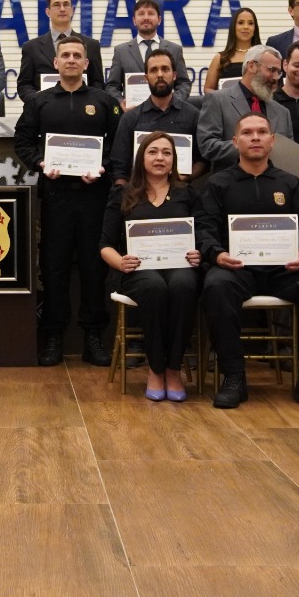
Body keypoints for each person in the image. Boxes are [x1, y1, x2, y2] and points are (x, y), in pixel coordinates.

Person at [197, 113, 299, 411]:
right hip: (237, 269)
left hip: (286, 270)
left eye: (262, 132)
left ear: (272, 141)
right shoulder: (217, 184)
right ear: (235, 141)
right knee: (215, 285)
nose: (255, 137)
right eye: (248, 133)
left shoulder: (290, 183)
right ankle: (234, 378)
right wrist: (217, 254)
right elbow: (204, 226)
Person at [14, 35, 120, 366]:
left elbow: (118, 147)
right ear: (56, 63)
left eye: (78, 55)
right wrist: (42, 164)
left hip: (94, 197)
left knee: (94, 268)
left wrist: (101, 169)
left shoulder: (104, 102)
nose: (72, 59)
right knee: (54, 267)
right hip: (56, 197)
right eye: (66, 55)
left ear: (87, 64)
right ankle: (54, 335)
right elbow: (23, 141)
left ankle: (93, 337)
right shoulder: (40, 103)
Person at [100, 132, 202, 401]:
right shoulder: (123, 194)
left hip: (180, 268)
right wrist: (120, 262)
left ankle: (173, 369)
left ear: (175, 159)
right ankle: (156, 369)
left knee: (183, 285)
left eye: (167, 153)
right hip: (137, 272)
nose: (160, 158)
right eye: (153, 151)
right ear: (141, 157)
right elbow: (105, 244)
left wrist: (198, 254)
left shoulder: (187, 193)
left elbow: (202, 236)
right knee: (154, 287)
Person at [195, 44, 293, 172]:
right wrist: (248, 146)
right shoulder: (217, 100)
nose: (275, 77)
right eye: (271, 70)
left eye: (278, 73)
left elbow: (289, 155)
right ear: (251, 66)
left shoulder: (283, 112)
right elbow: (208, 146)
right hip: (231, 185)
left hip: (273, 186)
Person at [110, 49, 202, 183]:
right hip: (140, 197)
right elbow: (120, 168)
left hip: (181, 196)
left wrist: (182, 178)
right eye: (153, 70)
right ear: (146, 78)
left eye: (165, 69)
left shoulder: (193, 115)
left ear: (174, 75)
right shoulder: (130, 119)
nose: (160, 75)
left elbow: (202, 161)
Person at [15, 0, 106, 104]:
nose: (62, 9)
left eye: (66, 4)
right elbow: (24, 84)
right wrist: (37, 100)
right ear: (48, 12)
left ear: (72, 10)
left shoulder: (91, 45)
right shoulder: (31, 47)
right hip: (45, 112)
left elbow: (97, 82)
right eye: (57, 5)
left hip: (82, 110)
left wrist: (89, 100)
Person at [107, 0, 191, 104]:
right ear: (134, 20)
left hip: (166, 114)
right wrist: (121, 103)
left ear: (159, 19)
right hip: (134, 115)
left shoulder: (175, 49)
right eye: (141, 14)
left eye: (151, 13)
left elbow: (184, 83)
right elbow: (112, 86)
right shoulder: (121, 51)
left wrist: (172, 103)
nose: (146, 18)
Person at [202, 7, 260, 94]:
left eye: (250, 23)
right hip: (226, 107)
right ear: (233, 27)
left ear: (255, 28)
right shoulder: (220, 58)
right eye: (241, 23)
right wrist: (223, 100)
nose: (246, 27)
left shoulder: (263, 56)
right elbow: (208, 89)